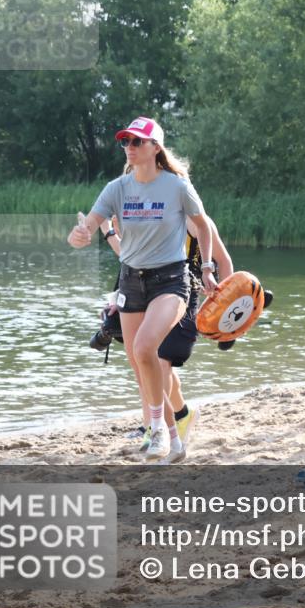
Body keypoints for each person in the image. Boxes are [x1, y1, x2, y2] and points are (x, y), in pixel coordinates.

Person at [68, 116, 219, 462]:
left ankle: (158, 431)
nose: (130, 148)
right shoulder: (117, 188)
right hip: (130, 281)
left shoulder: (177, 186)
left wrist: (208, 268)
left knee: (146, 347)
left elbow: (204, 228)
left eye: (137, 142)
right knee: (142, 366)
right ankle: (175, 442)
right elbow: (89, 225)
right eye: (126, 142)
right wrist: (80, 235)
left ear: (155, 147)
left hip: (170, 279)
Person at [106, 213, 234, 461]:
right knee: (153, 364)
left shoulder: (200, 223)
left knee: (161, 362)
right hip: (154, 295)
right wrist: (119, 297)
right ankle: (180, 414)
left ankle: (158, 428)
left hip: (186, 298)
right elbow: (135, 261)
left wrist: (225, 311)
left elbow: (225, 262)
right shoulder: (155, 216)